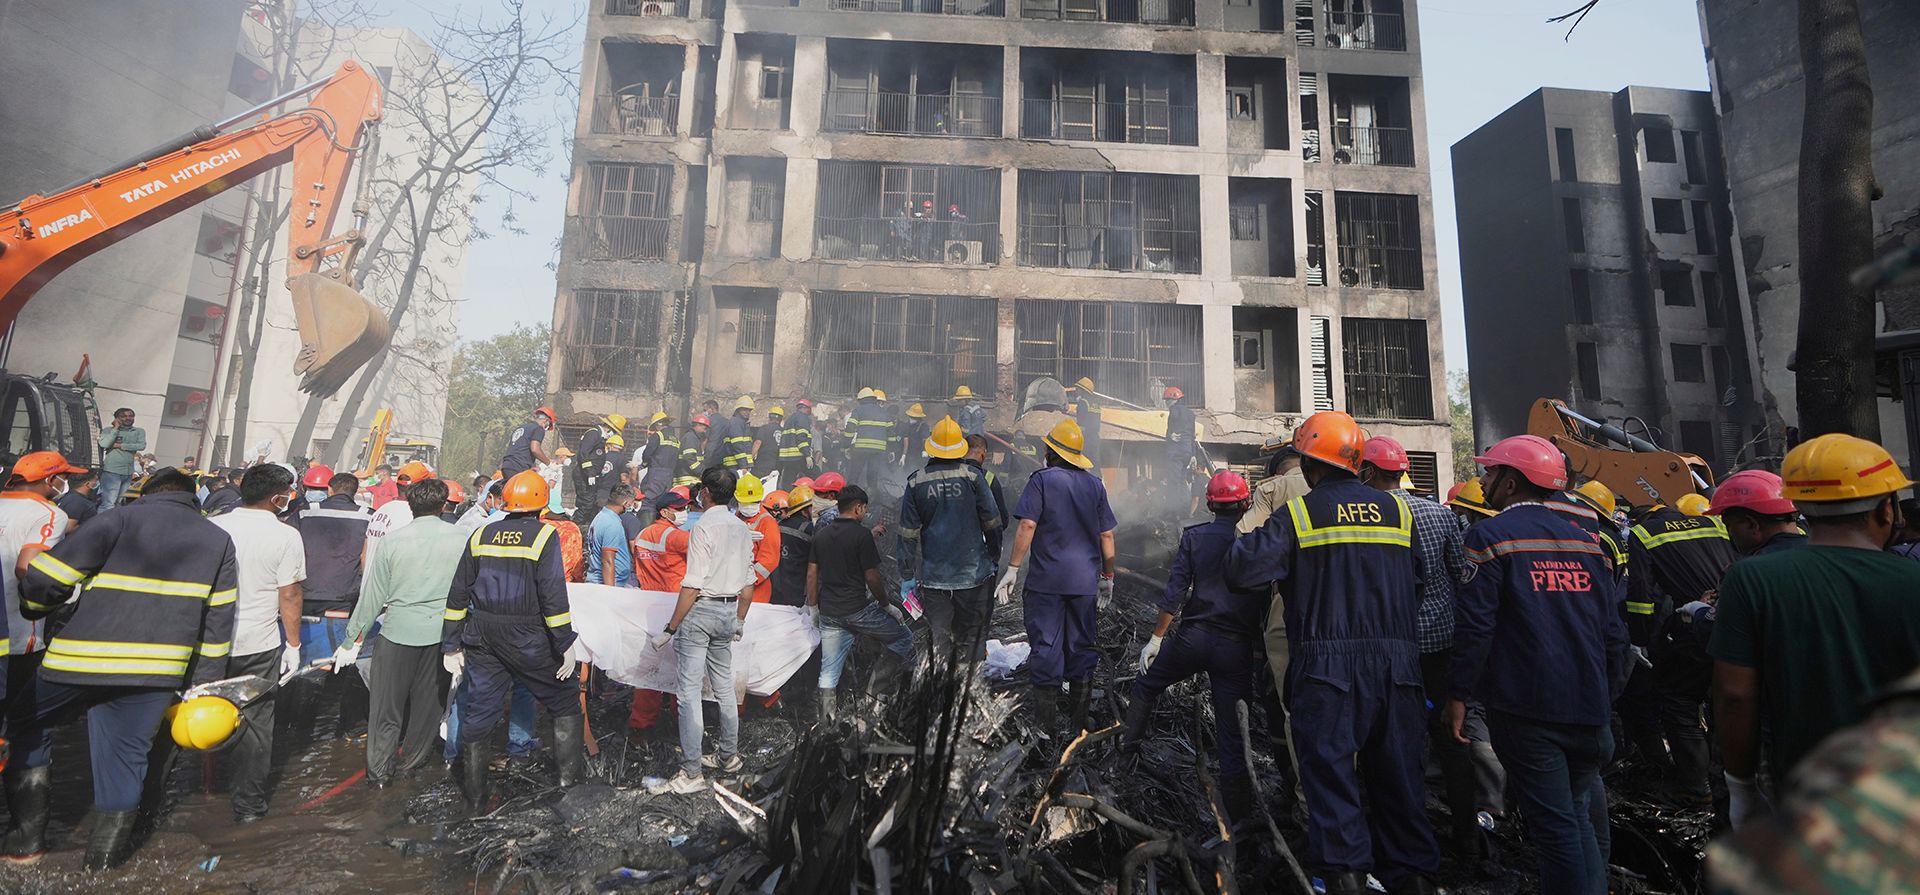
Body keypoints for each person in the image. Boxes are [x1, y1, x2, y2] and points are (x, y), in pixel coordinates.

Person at [1225, 411, 1440, 895]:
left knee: (1333, 794)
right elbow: (1418, 585)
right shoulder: (1399, 512)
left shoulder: (1299, 514)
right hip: (1398, 668)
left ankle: (1345, 879)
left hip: (1328, 670)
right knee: (1402, 795)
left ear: (1307, 463)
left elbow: (1241, 570)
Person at [5, 468, 237, 869]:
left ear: (147, 493)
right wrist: (203, 685)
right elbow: (218, 620)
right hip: (156, 671)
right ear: (192, 499)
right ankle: (102, 867)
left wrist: (35, 608)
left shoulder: (118, 518)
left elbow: (47, 576)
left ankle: (25, 844)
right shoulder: (218, 539)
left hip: (79, 661)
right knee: (126, 760)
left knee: (26, 722)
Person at [1443, 435, 1628, 895]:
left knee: (1555, 829)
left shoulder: (1489, 537)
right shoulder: (1588, 542)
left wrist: (1458, 695)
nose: (1483, 480)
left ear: (1511, 482)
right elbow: (1613, 632)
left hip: (1530, 710)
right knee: (1576, 816)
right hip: (1589, 709)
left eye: (1490, 472)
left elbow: (1475, 628)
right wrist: (1605, 695)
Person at [1709, 433, 1920, 829]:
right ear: (1886, 509)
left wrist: (1741, 788)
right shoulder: (1912, 578)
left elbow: (1735, 694)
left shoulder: (1752, 579)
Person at [1360, 435, 1496, 861]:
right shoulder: (1441, 515)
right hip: (1440, 645)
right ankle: (1467, 835)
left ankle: (1404, 836)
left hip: (1390, 647)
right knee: (1451, 737)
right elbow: (1462, 574)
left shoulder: (1369, 516)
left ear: (1368, 471)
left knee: (1395, 740)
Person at [1122, 470, 1266, 822]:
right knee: (1232, 734)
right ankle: (1239, 819)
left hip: (1194, 639)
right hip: (1235, 649)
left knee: (1147, 683)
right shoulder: (1256, 541)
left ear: (1209, 505)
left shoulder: (1195, 537)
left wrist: (1156, 638)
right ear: (1245, 503)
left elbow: (1175, 591)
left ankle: (1124, 760)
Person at [443, 470, 588, 809]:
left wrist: (451, 644)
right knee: (564, 699)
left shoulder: (481, 534)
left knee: (480, 709)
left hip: (483, 635)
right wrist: (564, 643)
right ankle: (569, 788)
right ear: (541, 505)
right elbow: (552, 594)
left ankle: (475, 797)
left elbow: (458, 591)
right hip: (527, 635)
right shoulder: (544, 535)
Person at [339, 478, 465, 788]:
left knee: (386, 709)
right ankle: (410, 767)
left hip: (396, 633)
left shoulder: (393, 541)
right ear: (443, 505)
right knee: (427, 709)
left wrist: (352, 639)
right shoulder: (462, 538)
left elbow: (372, 597)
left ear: (410, 506)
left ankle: (379, 776)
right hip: (442, 637)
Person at [994, 418, 1115, 740]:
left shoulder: (1041, 480)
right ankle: (1078, 726)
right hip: (1084, 584)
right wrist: (1108, 575)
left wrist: (1013, 567)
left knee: (1046, 648)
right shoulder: (1095, 485)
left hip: (1046, 584)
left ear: (1052, 452)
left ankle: (1045, 728)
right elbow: (1106, 534)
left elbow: (1027, 525)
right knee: (1081, 647)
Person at [209, 464, 307, 823]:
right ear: (277, 498)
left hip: (211, 641)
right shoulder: (286, 536)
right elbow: (290, 594)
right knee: (256, 725)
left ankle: (203, 788)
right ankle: (248, 807)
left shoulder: (215, 526)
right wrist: (293, 645)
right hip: (258, 645)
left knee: (203, 714)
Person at [1626, 486, 1736, 803]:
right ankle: (1727, 776)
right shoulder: (1714, 523)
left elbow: (1641, 596)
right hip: (1729, 616)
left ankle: (1696, 787)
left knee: (1679, 701)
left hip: (1690, 625)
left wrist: (1639, 639)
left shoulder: (1644, 533)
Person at [648, 466, 754, 794]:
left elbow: (692, 585)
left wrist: (670, 628)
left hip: (701, 612)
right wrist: (739, 620)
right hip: (728, 611)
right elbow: (748, 582)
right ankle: (728, 757)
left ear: (705, 492)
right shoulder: (742, 528)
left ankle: (691, 772)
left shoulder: (703, 527)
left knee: (689, 694)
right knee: (724, 688)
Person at [898, 417, 1001, 659]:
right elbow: (992, 522)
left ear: (931, 447)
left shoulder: (916, 481)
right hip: (973, 576)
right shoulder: (973, 477)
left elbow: (907, 533)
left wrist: (907, 574)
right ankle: (970, 682)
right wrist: (994, 554)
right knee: (972, 641)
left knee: (939, 641)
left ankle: (940, 682)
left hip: (935, 579)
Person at [810, 485, 914, 719]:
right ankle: (873, 695)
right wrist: (886, 605)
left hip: (829, 612)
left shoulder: (821, 535)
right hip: (858, 610)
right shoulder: (861, 535)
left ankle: (826, 722)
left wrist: (813, 607)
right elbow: (872, 576)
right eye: (865, 509)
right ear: (858, 508)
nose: (865, 513)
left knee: (829, 669)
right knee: (903, 637)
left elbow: (811, 574)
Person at [0, 452, 82, 709]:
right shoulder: (50, 514)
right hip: (17, 630)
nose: (65, 482)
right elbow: (28, 568)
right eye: (64, 477)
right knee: (14, 709)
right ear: (50, 480)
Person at [629, 489, 693, 737]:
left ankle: (641, 725)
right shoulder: (676, 536)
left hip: (649, 605)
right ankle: (680, 722)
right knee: (681, 668)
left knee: (650, 669)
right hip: (676, 607)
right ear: (665, 512)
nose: (684, 512)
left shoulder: (643, 534)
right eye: (679, 509)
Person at [1706, 470, 1806, 556]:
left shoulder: (1746, 570)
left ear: (1752, 524)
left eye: (1728, 526)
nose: (1730, 534)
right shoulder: (1815, 552)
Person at [573, 414, 626, 529]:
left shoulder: (600, 438)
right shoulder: (593, 434)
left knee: (591, 504)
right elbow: (583, 454)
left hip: (590, 476)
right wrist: (590, 472)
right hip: (584, 475)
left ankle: (584, 528)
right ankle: (574, 528)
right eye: (614, 432)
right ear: (610, 428)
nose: (613, 435)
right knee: (586, 504)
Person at [769, 485, 814, 609]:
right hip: (798, 594)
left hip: (776, 593)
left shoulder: (777, 525)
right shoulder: (809, 529)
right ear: (805, 510)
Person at [844, 388, 897, 493]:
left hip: (861, 449)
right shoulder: (885, 413)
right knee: (873, 476)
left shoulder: (858, 410)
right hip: (878, 451)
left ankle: (850, 496)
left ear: (861, 400)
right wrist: (891, 450)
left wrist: (846, 446)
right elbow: (891, 434)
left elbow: (850, 429)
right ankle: (872, 498)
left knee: (854, 474)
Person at [589, 481, 638, 588]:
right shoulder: (611, 523)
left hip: (602, 581)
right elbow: (607, 561)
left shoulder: (601, 516)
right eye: (631, 503)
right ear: (626, 503)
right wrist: (610, 592)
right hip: (609, 583)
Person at [96, 407, 145, 509]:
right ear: (117, 418)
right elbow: (104, 444)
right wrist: (115, 428)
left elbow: (141, 446)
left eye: (131, 416)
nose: (128, 418)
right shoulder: (108, 430)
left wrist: (119, 445)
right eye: (123, 416)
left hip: (128, 472)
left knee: (119, 504)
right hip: (112, 472)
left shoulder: (139, 431)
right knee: (108, 504)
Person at [498, 406, 556, 480]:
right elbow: (535, 449)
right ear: (546, 420)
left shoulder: (521, 428)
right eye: (549, 425)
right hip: (518, 467)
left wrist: (530, 469)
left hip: (507, 466)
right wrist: (549, 463)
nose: (547, 428)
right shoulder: (538, 428)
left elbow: (519, 449)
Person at [639, 412, 679, 508]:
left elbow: (647, 453)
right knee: (663, 502)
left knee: (650, 500)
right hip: (669, 475)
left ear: (658, 424)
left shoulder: (657, 436)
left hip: (656, 473)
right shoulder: (676, 440)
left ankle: (647, 516)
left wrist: (644, 463)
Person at [1161, 385, 1196, 492]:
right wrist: (1193, 454)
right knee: (1182, 480)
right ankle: (1185, 501)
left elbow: (1172, 431)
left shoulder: (1174, 411)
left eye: (1167, 400)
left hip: (1176, 452)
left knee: (1174, 482)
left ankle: (1174, 501)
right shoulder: (1190, 414)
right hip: (1187, 452)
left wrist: (1170, 435)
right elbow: (1192, 435)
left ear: (1173, 399)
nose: (1166, 403)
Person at [710, 396, 757, 471]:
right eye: (744, 409)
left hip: (739, 465)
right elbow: (737, 445)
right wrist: (743, 466)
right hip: (736, 466)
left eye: (749, 410)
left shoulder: (741, 423)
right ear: (738, 409)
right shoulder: (736, 423)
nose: (747, 412)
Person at [778, 399, 816, 486]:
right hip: (799, 455)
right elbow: (801, 438)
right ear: (806, 408)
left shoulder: (790, 419)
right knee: (816, 476)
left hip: (787, 457)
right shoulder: (803, 418)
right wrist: (807, 455)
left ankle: (786, 494)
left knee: (788, 481)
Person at [1066, 377, 1101, 465]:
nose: (1076, 390)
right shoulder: (1096, 403)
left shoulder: (1083, 402)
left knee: (1083, 460)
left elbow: (1081, 421)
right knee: (1094, 461)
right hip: (1095, 437)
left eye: (1078, 388)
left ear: (1083, 390)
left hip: (1086, 438)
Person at [680, 415, 712, 491]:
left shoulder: (694, 438)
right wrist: (702, 472)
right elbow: (689, 458)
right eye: (704, 428)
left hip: (691, 479)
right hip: (687, 480)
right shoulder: (690, 437)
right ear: (698, 425)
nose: (705, 431)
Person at [752, 406, 785, 476]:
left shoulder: (764, 428)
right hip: (777, 466)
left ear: (770, 417)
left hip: (762, 464)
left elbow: (757, 443)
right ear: (781, 419)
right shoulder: (784, 431)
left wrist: (750, 459)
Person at [900, 403, 930, 469]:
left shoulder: (923, 426)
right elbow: (905, 439)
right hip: (908, 455)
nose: (911, 418)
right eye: (910, 416)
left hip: (918, 455)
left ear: (918, 418)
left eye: (913, 417)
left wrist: (924, 450)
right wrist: (903, 455)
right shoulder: (907, 425)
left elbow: (925, 439)